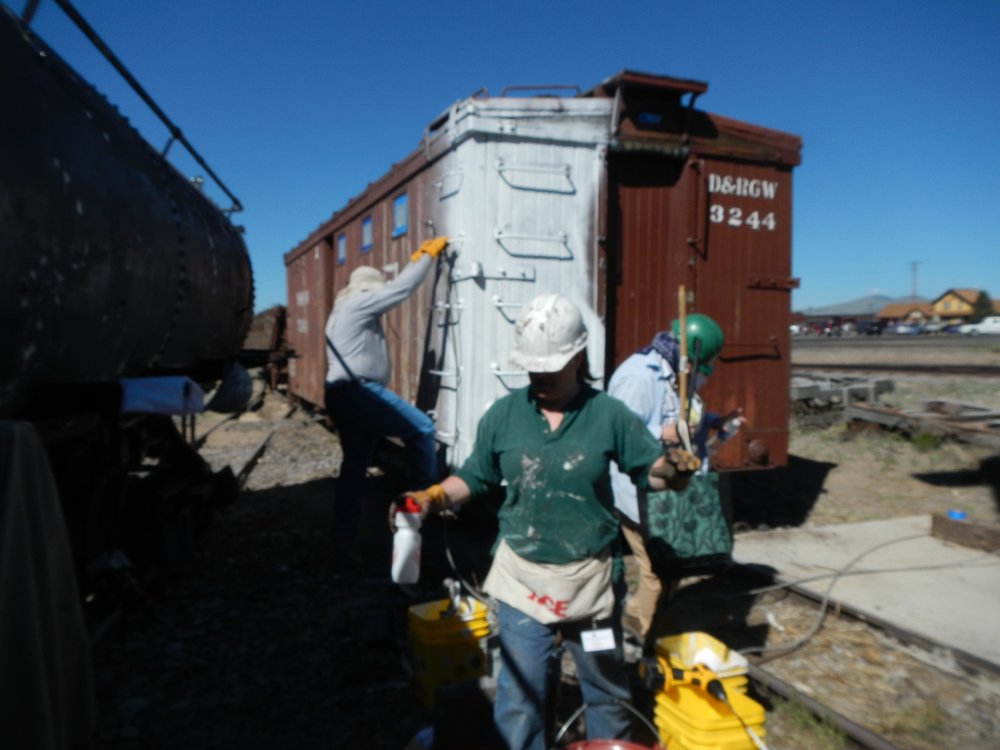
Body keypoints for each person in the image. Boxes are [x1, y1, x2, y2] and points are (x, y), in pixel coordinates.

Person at [397, 293, 696, 750]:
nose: (539, 378)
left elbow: (648, 471)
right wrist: (434, 496)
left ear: (577, 357)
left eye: (549, 368)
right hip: (523, 580)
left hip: (590, 581)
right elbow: (476, 476)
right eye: (532, 369)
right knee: (519, 699)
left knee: (606, 694)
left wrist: (671, 473)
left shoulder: (608, 415)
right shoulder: (504, 416)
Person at [608, 314, 738, 645]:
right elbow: (617, 433)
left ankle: (649, 621)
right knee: (654, 571)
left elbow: (686, 416)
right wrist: (662, 433)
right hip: (640, 493)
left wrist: (713, 422)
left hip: (673, 490)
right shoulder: (639, 378)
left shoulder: (677, 371)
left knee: (674, 566)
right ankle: (645, 639)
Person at [324, 236, 448, 568]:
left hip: (343, 396)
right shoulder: (358, 303)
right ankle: (424, 503)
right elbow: (401, 289)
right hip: (358, 392)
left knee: (354, 468)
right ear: (368, 289)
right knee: (421, 429)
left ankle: (343, 540)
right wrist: (424, 257)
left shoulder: (340, 311)